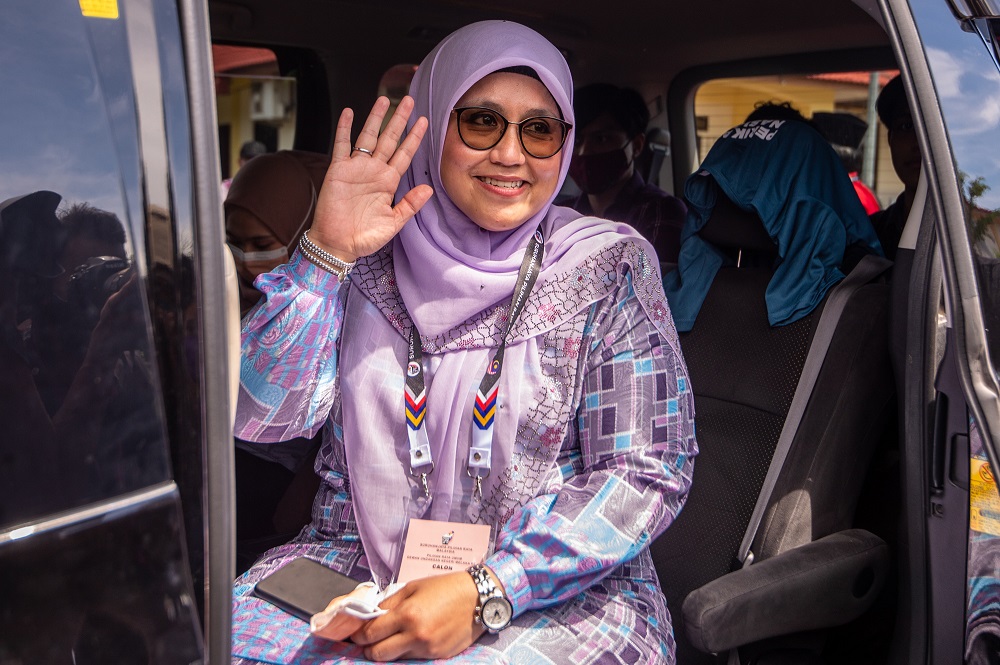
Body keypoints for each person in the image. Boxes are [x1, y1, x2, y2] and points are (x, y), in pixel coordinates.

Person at [231, 20, 697, 664]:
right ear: (433, 126)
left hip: (549, 586)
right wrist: (325, 255)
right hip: (354, 559)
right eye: (480, 122)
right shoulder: (367, 255)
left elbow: (645, 472)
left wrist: (486, 590)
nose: (511, 155)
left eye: (540, 130)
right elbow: (262, 418)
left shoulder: (606, 266)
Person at [224, 149, 330, 572]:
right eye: (234, 243)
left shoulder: (330, 321)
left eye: (262, 245)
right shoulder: (215, 304)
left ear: (305, 235)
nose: (245, 261)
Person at [565, 83, 688, 263]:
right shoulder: (563, 212)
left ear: (636, 145)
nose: (584, 151)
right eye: (577, 141)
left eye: (601, 139)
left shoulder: (661, 213)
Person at [870, 74, 920, 260]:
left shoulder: (976, 232)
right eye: (906, 126)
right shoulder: (872, 235)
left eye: (928, 127)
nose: (918, 142)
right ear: (890, 139)